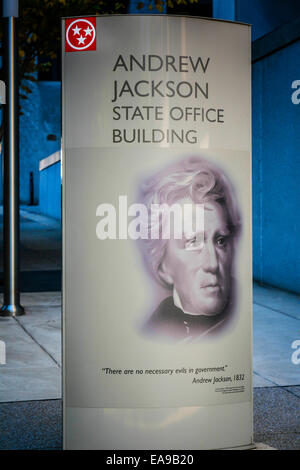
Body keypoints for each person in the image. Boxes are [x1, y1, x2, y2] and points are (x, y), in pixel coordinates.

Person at [138, 156, 241, 342]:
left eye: (220, 241)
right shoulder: (152, 329)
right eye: (194, 242)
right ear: (162, 267)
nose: (213, 263)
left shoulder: (239, 314)